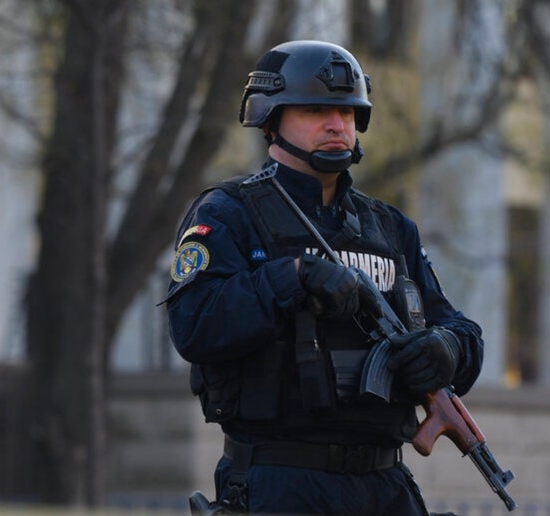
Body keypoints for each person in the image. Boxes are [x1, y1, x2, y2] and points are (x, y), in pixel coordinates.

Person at [165, 40, 484, 515]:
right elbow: (194, 324)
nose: (338, 125)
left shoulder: (391, 228)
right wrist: (293, 277)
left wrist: (447, 349)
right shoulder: (229, 213)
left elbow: (461, 332)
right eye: (317, 110)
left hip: (385, 485)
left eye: (349, 113)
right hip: (282, 483)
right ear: (271, 119)